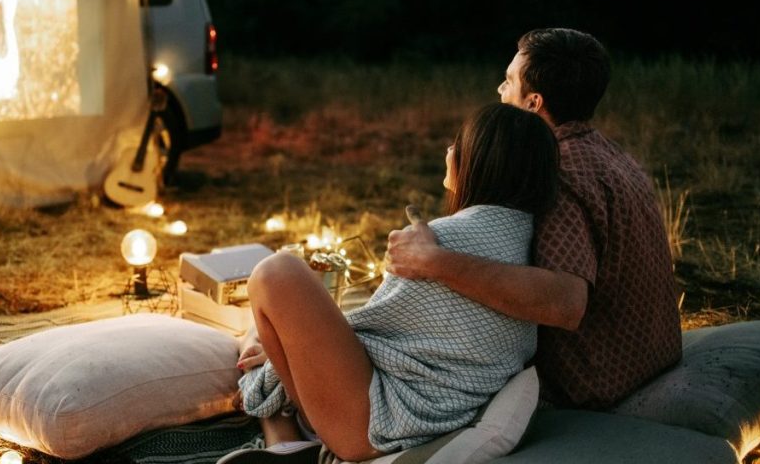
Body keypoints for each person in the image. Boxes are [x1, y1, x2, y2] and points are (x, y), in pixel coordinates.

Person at [220, 103, 559, 463]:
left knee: (276, 274)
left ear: (478, 161)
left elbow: (368, 333)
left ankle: (285, 435)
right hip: (437, 413)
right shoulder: (529, 250)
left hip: (378, 424)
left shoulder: (440, 241)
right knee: (262, 335)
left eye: (457, 144)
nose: (448, 152)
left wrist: (281, 354)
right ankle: (284, 441)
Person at [386, 28, 683, 410]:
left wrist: (434, 261)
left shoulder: (557, 172)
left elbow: (565, 303)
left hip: (594, 380)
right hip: (649, 355)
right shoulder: (608, 155)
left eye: (509, 82)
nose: (499, 89)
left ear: (532, 103)